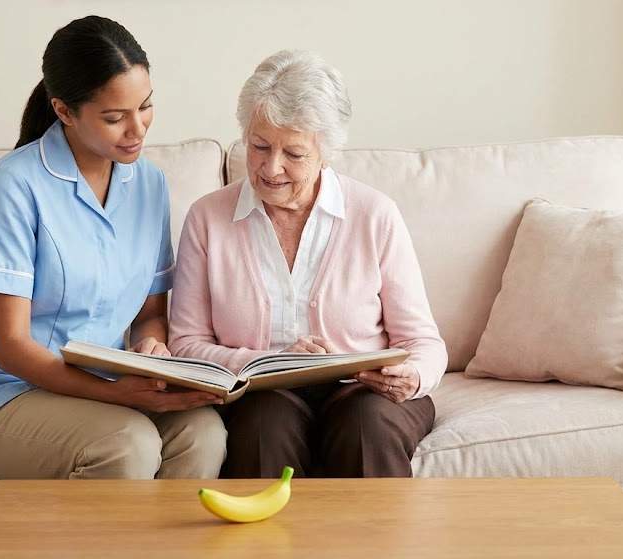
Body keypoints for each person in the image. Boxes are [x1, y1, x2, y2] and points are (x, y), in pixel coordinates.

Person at [0, 16, 225, 480]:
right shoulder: (13, 184)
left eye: (145, 107)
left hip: (107, 380)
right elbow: (11, 348)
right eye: (114, 117)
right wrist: (121, 395)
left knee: (204, 432)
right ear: (64, 111)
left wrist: (151, 346)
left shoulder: (150, 183)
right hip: (8, 389)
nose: (137, 129)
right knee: (128, 444)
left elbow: (151, 311)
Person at [168, 50, 447, 478]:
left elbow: (424, 341)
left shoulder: (375, 214)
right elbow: (186, 343)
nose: (271, 167)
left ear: (326, 153)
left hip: (362, 394)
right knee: (263, 426)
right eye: (259, 146)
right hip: (261, 394)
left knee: (366, 427)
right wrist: (266, 362)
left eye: (294, 154)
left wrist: (411, 375)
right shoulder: (208, 218)